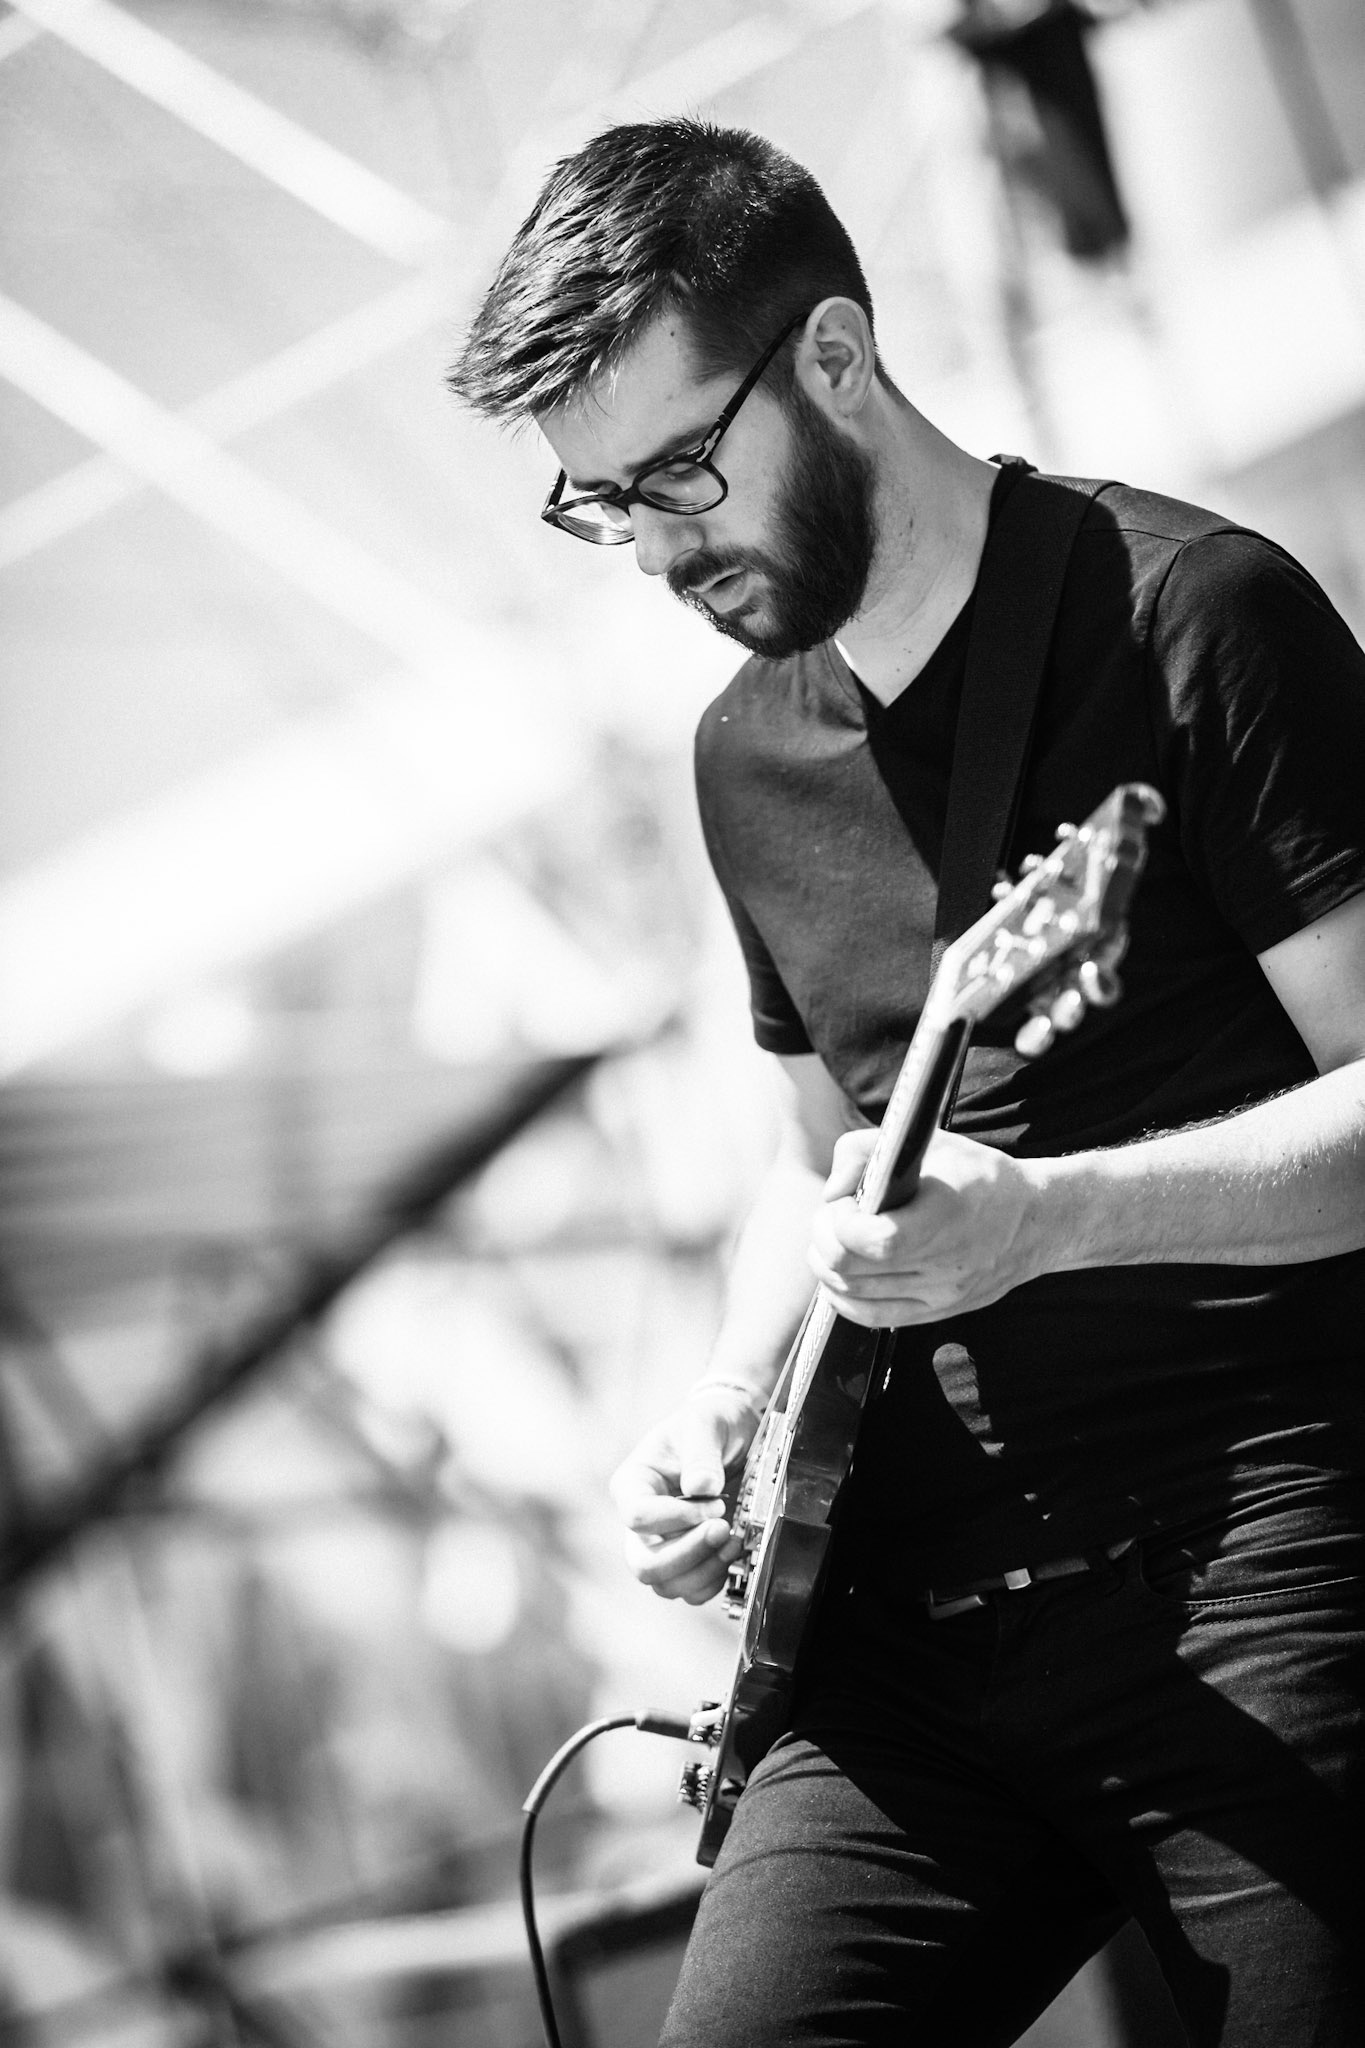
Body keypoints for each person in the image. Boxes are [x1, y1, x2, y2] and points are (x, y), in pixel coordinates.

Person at [449, 119, 1365, 2048]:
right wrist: (716, 1413)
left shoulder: (1192, 614)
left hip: (1269, 1569)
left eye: (682, 470)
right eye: (598, 506)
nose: (655, 550)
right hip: (906, 1648)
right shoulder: (740, 759)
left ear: (839, 360)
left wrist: (1055, 1219)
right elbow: (822, 1177)